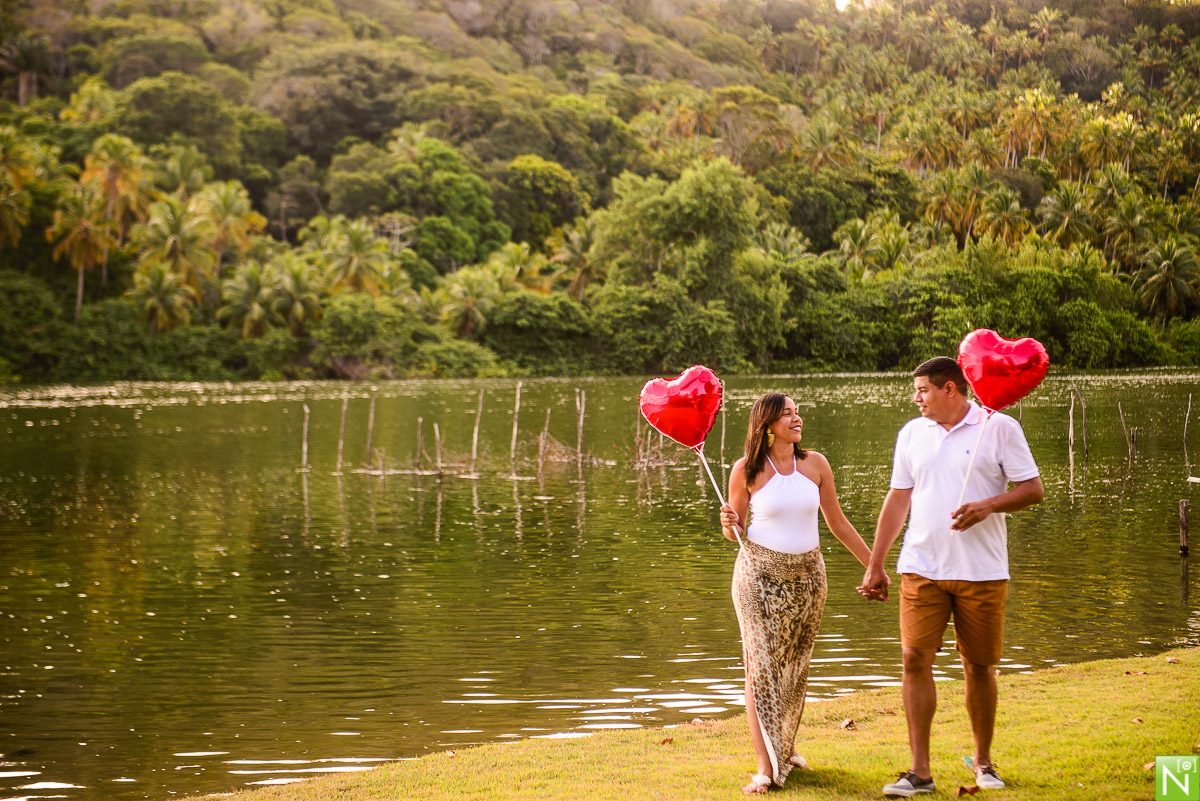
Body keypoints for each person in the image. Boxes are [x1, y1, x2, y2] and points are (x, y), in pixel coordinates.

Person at [858, 357, 1044, 797]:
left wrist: (987, 506)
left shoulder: (998, 427)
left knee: (979, 667)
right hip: (921, 567)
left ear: (950, 389)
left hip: (981, 571)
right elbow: (898, 499)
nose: (915, 397)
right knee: (913, 660)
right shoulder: (911, 434)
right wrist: (877, 562)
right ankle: (919, 772)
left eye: (922, 389)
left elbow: (1033, 489)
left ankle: (982, 762)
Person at [718, 392, 875, 794]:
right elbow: (733, 531)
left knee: (793, 668)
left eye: (796, 411)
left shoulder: (816, 464)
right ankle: (764, 767)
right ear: (767, 424)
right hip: (758, 578)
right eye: (786, 413)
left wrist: (873, 565)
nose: (796, 417)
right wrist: (729, 521)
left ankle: (785, 748)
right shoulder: (746, 470)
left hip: (809, 579)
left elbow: (837, 523)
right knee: (761, 670)